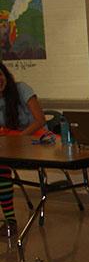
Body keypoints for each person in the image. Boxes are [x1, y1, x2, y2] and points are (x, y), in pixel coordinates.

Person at [0, 61, 46, 233]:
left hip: (35, 143)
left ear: (5, 75)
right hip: (11, 148)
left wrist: (18, 138)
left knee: (1, 167)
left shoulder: (22, 89)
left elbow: (40, 120)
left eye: (0, 75)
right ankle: (9, 220)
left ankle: (10, 221)